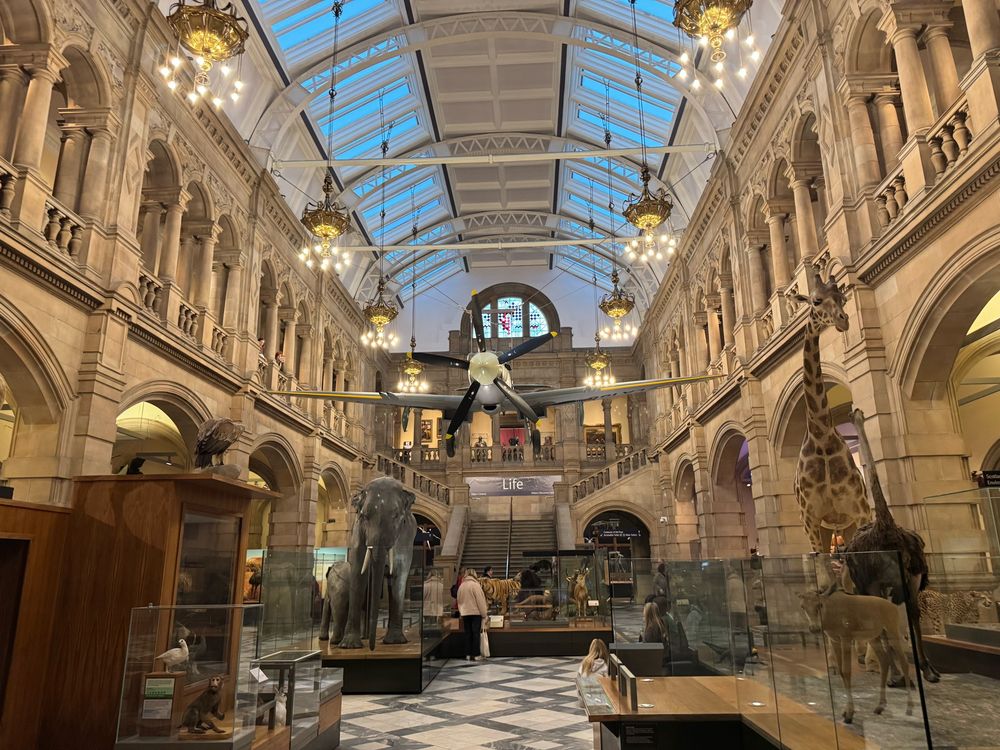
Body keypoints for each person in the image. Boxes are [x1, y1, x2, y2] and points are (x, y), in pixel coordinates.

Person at [457, 569, 488, 661]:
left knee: (467, 634)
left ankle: (467, 654)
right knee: (476, 634)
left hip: (465, 613)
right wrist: (484, 614)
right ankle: (476, 654)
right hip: (475, 613)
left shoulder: (461, 586)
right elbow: (480, 601)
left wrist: (461, 611)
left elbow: (459, 601)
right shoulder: (475, 585)